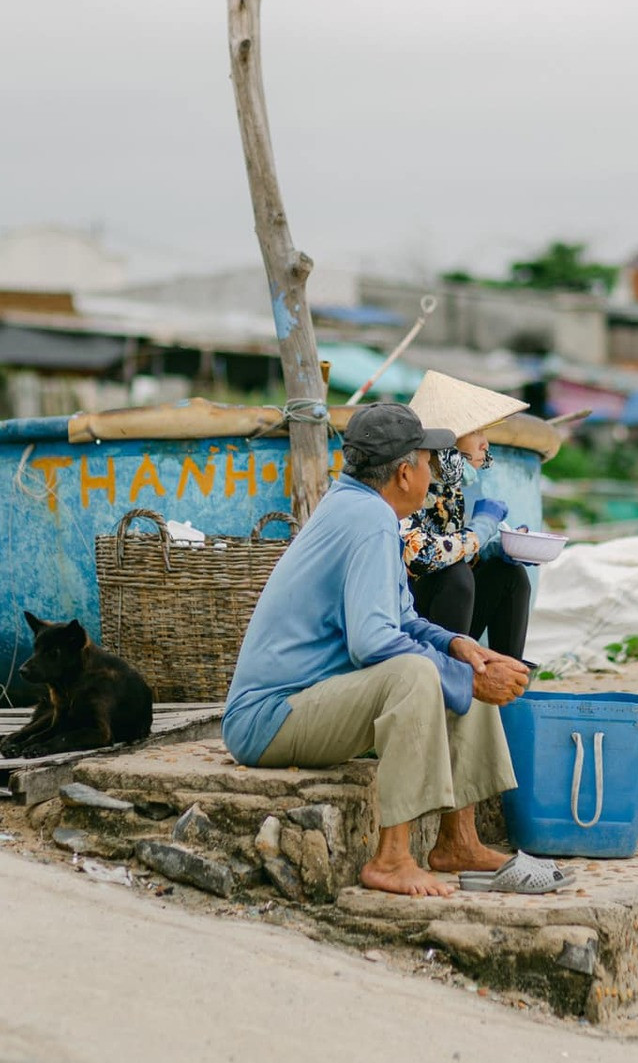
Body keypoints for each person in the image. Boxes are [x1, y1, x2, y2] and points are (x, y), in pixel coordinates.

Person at [222, 402, 530, 897]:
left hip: (312, 700)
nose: (433, 472)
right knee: (417, 674)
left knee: (463, 660)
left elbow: (403, 619)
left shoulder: (363, 507)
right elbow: (373, 643)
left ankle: (460, 842)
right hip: (267, 719)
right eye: (428, 461)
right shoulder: (368, 519)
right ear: (405, 472)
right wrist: (467, 677)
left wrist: (460, 646)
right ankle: (391, 859)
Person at [401, 372, 535, 661]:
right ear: (447, 437)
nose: (484, 444)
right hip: (406, 626)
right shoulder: (407, 480)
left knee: (510, 575)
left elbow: (453, 549)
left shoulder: (450, 487)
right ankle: (449, 676)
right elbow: (420, 557)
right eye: (477, 432)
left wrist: (492, 550)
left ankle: (505, 676)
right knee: (454, 574)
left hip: (442, 615)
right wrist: (480, 530)